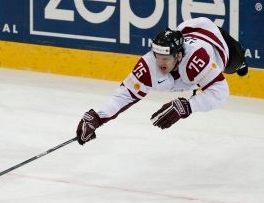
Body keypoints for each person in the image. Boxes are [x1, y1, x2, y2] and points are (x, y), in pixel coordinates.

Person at [76, 17, 248, 145]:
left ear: (179, 56)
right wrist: (98, 117)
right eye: (158, 56)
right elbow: (126, 94)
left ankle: (240, 62)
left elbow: (220, 93)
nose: (160, 62)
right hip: (186, 30)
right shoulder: (150, 64)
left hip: (215, 41)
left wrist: (187, 107)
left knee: (237, 65)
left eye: (166, 58)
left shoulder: (196, 60)